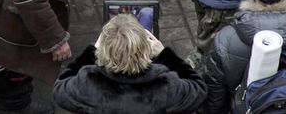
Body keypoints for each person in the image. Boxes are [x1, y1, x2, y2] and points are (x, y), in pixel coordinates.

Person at [53, 14, 207, 113]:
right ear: (145, 49)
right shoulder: (166, 86)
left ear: (104, 50)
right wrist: (165, 55)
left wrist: (91, 52)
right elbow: (198, 89)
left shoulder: (87, 82)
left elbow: (60, 89)